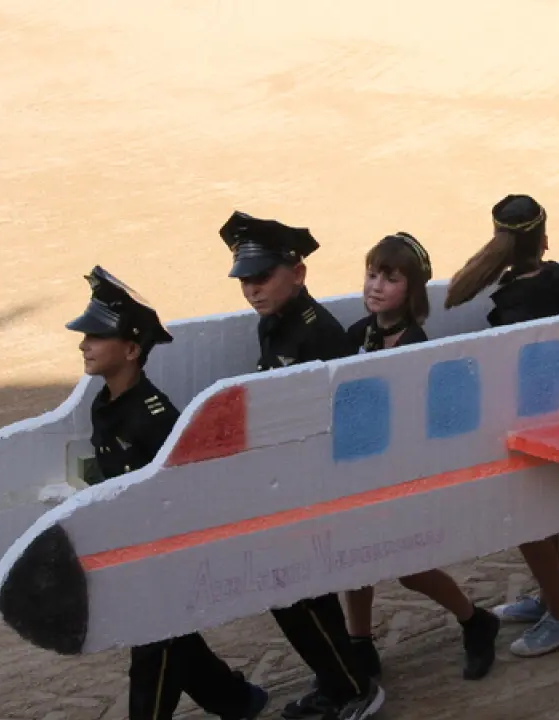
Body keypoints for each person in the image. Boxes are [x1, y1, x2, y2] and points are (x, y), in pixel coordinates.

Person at [66, 266, 269, 720]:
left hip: (165, 554)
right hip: (136, 549)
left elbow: (184, 492)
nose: (84, 344)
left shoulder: (154, 418)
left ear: (131, 350)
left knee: (153, 650)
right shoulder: (105, 404)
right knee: (175, 642)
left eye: (96, 336)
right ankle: (236, 701)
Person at [222, 211, 385, 720]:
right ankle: (340, 679)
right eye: (244, 279)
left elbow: (341, 420)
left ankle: (354, 689)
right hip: (290, 483)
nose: (251, 289)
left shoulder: (317, 334)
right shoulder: (276, 324)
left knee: (295, 591)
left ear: (298, 273)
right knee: (298, 593)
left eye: (261, 277)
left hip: (317, 484)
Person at [339, 232, 501, 681]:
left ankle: (474, 619)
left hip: (400, 470)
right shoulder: (357, 333)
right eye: (372, 275)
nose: (376, 286)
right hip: (361, 468)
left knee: (408, 567)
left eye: (390, 279)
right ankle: (359, 642)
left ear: (411, 291)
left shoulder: (415, 344)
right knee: (355, 561)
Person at [445, 194, 559, 658]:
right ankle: (549, 597)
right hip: (552, 411)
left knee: (529, 519)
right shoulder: (554, 278)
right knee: (541, 515)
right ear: (544, 239)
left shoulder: (518, 297)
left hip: (527, 418)